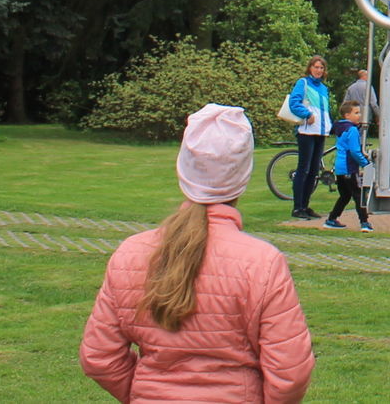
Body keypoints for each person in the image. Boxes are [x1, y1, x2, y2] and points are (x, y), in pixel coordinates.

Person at [80, 104, 314, 402]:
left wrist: (145, 393)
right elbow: (289, 372)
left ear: (184, 167)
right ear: (242, 175)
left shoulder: (132, 253)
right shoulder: (261, 263)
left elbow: (100, 357)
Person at [288, 55, 331, 220]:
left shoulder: (323, 88)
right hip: (307, 131)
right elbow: (294, 102)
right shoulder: (303, 83)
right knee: (303, 169)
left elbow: (325, 110)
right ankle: (297, 207)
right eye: (316, 67)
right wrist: (306, 114)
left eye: (321, 68)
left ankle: (305, 205)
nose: (319, 70)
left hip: (320, 131)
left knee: (314, 171)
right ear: (310, 68)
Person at [324, 100, 373, 232]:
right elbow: (354, 151)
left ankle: (331, 218)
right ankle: (364, 222)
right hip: (349, 168)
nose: (359, 115)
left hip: (339, 168)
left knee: (345, 195)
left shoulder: (340, 128)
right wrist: (366, 163)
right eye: (356, 113)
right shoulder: (352, 130)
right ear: (347, 115)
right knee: (358, 195)